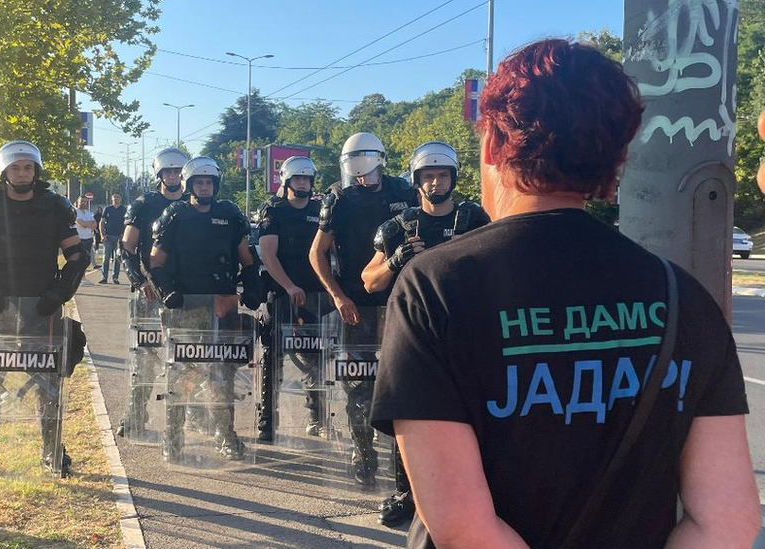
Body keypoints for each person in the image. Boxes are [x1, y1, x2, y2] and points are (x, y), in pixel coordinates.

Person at [370, 39, 759, 549]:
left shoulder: (435, 287)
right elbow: (728, 522)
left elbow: (463, 527)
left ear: (491, 147)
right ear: (616, 156)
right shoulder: (683, 295)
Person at [361, 141, 489, 526]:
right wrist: (396, 260)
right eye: (429, 176)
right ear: (417, 180)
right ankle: (408, 492)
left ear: (453, 177)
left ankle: (476, 487)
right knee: (409, 415)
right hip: (412, 332)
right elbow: (369, 281)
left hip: (465, 329)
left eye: (443, 175)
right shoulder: (397, 227)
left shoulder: (475, 219)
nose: (436, 182)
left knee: (473, 411)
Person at [0, 140, 88, 477]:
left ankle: (53, 452)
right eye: (15, 167)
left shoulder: (55, 207)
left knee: (49, 384)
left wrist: (59, 292)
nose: (21, 173)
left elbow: (77, 257)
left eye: (27, 167)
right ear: (4, 170)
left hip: (42, 308)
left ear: (36, 170)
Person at [309, 132, 417, 486]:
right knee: (357, 381)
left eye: (364, 164)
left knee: (401, 379)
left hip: (397, 299)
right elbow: (317, 254)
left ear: (379, 161)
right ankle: (363, 451)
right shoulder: (339, 199)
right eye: (353, 165)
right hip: (354, 303)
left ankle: (402, 458)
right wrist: (338, 295)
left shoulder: (402, 192)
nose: (359, 173)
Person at [149, 156, 264, 462]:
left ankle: (226, 437)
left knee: (221, 378)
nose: (205, 187)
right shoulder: (174, 216)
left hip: (222, 309)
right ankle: (172, 439)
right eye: (199, 182)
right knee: (181, 376)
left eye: (209, 182)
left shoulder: (229, 215)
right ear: (189, 185)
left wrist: (250, 290)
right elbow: (156, 263)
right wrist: (167, 291)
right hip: (184, 309)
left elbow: (248, 260)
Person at [115, 147, 188, 438]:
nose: (173, 176)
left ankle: (191, 414)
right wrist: (138, 280)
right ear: (159, 174)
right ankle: (135, 415)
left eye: (177, 172)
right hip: (149, 292)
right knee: (144, 358)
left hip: (185, 293)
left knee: (188, 359)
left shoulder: (193, 201)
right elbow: (127, 246)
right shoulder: (143, 204)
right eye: (168, 171)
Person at [256, 156, 327, 442]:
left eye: (306, 180)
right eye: (297, 179)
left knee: (316, 357)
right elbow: (268, 255)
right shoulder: (273, 210)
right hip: (281, 293)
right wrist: (289, 286)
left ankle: (317, 417)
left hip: (315, 295)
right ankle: (267, 420)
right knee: (273, 357)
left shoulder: (320, 209)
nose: (302, 184)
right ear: (286, 181)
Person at [99, 193, 126, 284]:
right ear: (112, 198)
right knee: (105, 258)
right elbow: (102, 223)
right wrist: (102, 235)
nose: (116, 198)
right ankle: (104, 277)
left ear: (121, 199)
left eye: (118, 197)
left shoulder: (124, 209)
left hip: (119, 237)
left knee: (117, 259)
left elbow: (127, 223)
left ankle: (115, 277)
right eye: (114, 197)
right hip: (108, 237)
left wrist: (124, 235)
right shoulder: (107, 209)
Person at [74, 196, 98, 271]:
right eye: (81, 201)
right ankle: (80, 278)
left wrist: (87, 224)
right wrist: (89, 223)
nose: (83, 203)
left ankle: (83, 277)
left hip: (88, 239)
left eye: (85, 201)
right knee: (79, 259)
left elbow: (95, 225)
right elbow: (82, 224)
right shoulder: (75, 212)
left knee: (86, 260)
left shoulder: (89, 213)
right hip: (79, 239)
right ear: (78, 202)